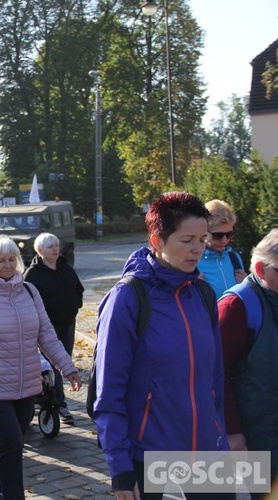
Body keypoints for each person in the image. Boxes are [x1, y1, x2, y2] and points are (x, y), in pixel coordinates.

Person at [93, 192, 230, 500]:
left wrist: (220, 433)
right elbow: (108, 392)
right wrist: (121, 469)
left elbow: (215, 377)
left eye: (202, 239)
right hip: (151, 456)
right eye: (187, 240)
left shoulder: (204, 294)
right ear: (156, 241)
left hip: (209, 453)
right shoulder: (127, 298)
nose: (197, 249)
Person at [0, 235, 80, 500]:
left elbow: (46, 334)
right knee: (12, 441)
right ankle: (13, 495)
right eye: (1, 260)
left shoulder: (30, 291)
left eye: (11, 259)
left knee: (13, 443)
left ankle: (1, 490)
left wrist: (67, 368)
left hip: (27, 382)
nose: (8, 265)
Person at [219, 229, 278, 496]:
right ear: (260, 269)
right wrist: (232, 431)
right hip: (257, 438)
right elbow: (215, 374)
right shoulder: (236, 306)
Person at [24, 232, 84, 425]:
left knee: (65, 359)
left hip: (67, 323)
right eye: (51, 247)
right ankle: (60, 403)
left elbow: (78, 289)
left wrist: (75, 307)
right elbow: (29, 302)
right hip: (46, 328)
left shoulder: (65, 267)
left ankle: (48, 398)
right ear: (40, 250)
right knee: (53, 365)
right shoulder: (32, 275)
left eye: (57, 245)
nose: (56, 249)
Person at [198, 199, 247, 297]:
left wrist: (247, 285)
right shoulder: (191, 260)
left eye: (229, 234)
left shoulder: (234, 257)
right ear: (203, 231)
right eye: (218, 235)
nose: (224, 240)